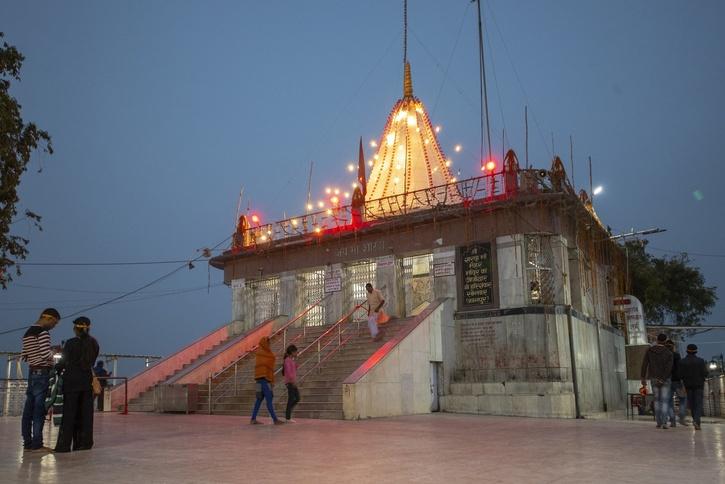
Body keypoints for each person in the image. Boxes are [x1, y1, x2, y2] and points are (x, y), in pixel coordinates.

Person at [55, 316, 100, 453]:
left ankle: (64, 445)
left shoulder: (70, 343)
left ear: (75, 328)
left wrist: (57, 369)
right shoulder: (94, 344)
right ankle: (84, 443)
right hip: (86, 382)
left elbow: (63, 362)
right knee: (86, 414)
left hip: (71, 382)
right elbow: (91, 361)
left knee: (69, 414)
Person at [20, 308, 60, 452]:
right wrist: (54, 351)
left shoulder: (28, 333)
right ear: (49, 319)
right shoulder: (43, 333)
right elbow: (45, 354)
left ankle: (27, 442)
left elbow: (24, 355)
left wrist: (36, 354)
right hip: (42, 374)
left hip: (31, 373)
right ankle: (37, 444)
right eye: (54, 323)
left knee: (27, 411)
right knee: (39, 411)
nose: (53, 326)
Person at [640, 333, 674, 429]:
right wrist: (663, 379)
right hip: (665, 379)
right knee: (664, 401)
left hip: (653, 378)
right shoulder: (669, 353)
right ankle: (664, 422)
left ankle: (658, 422)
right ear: (665, 340)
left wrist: (643, 378)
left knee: (657, 400)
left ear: (657, 340)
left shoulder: (650, 350)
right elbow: (669, 368)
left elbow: (644, 364)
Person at [250, 336, 284, 425]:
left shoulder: (262, 353)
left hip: (260, 380)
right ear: (264, 343)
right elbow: (265, 365)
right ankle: (275, 419)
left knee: (259, 399)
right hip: (264, 380)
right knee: (268, 398)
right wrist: (271, 381)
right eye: (268, 342)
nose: (269, 344)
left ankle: (253, 419)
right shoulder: (263, 353)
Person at [679, 344, 709, 430]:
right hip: (699, 385)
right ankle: (697, 421)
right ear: (696, 351)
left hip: (688, 386)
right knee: (698, 404)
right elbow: (705, 373)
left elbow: (680, 375)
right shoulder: (700, 361)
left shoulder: (682, 362)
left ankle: (695, 420)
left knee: (692, 404)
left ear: (687, 351)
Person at [665, 340, 688, 427]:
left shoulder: (664, 356)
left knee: (668, 401)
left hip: (667, 381)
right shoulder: (677, 355)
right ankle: (681, 418)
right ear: (673, 346)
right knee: (683, 399)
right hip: (677, 381)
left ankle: (672, 420)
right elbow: (680, 368)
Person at [283, 344, 300, 422]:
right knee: (292, 399)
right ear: (292, 352)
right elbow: (289, 373)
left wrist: (295, 362)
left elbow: (295, 368)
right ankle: (287, 417)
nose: (297, 353)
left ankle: (288, 412)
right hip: (290, 382)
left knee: (297, 398)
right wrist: (292, 381)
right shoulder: (287, 360)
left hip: (292, 382)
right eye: (296, 352)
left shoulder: (291, 360)